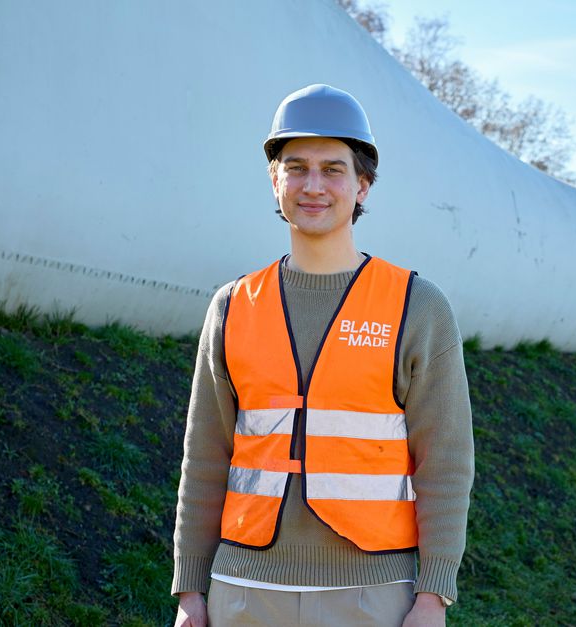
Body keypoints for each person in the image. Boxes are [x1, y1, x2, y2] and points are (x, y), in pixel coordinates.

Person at [171, 84, 474, 627]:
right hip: (243, 590)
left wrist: (433, 595)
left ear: (362, 185)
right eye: (297, 167)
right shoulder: (234, 305)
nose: (313, 186)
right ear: (275, 179)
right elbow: (205, 456)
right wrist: (190, 589)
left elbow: (446, 462)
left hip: (373, 592)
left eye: (333, 169)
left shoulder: (416, 306)